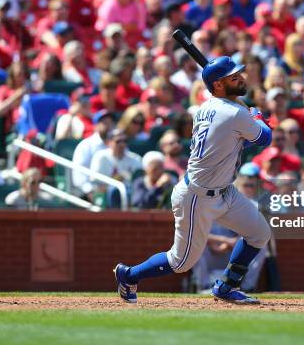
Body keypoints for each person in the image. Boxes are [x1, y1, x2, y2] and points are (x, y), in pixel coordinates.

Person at [114, 56, 272, 304]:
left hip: (225, 191)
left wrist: (248, 114)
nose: (241, 78)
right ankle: (129, 275)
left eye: (239, 74)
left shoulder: (208, 107)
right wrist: (257, 117)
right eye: (233, 77)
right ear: (218, 85)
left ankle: (226, 286)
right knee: (181, 262)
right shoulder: (233, 113)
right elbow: (264, 139)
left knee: (259, 233)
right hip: (198, 196)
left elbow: (239, 119)